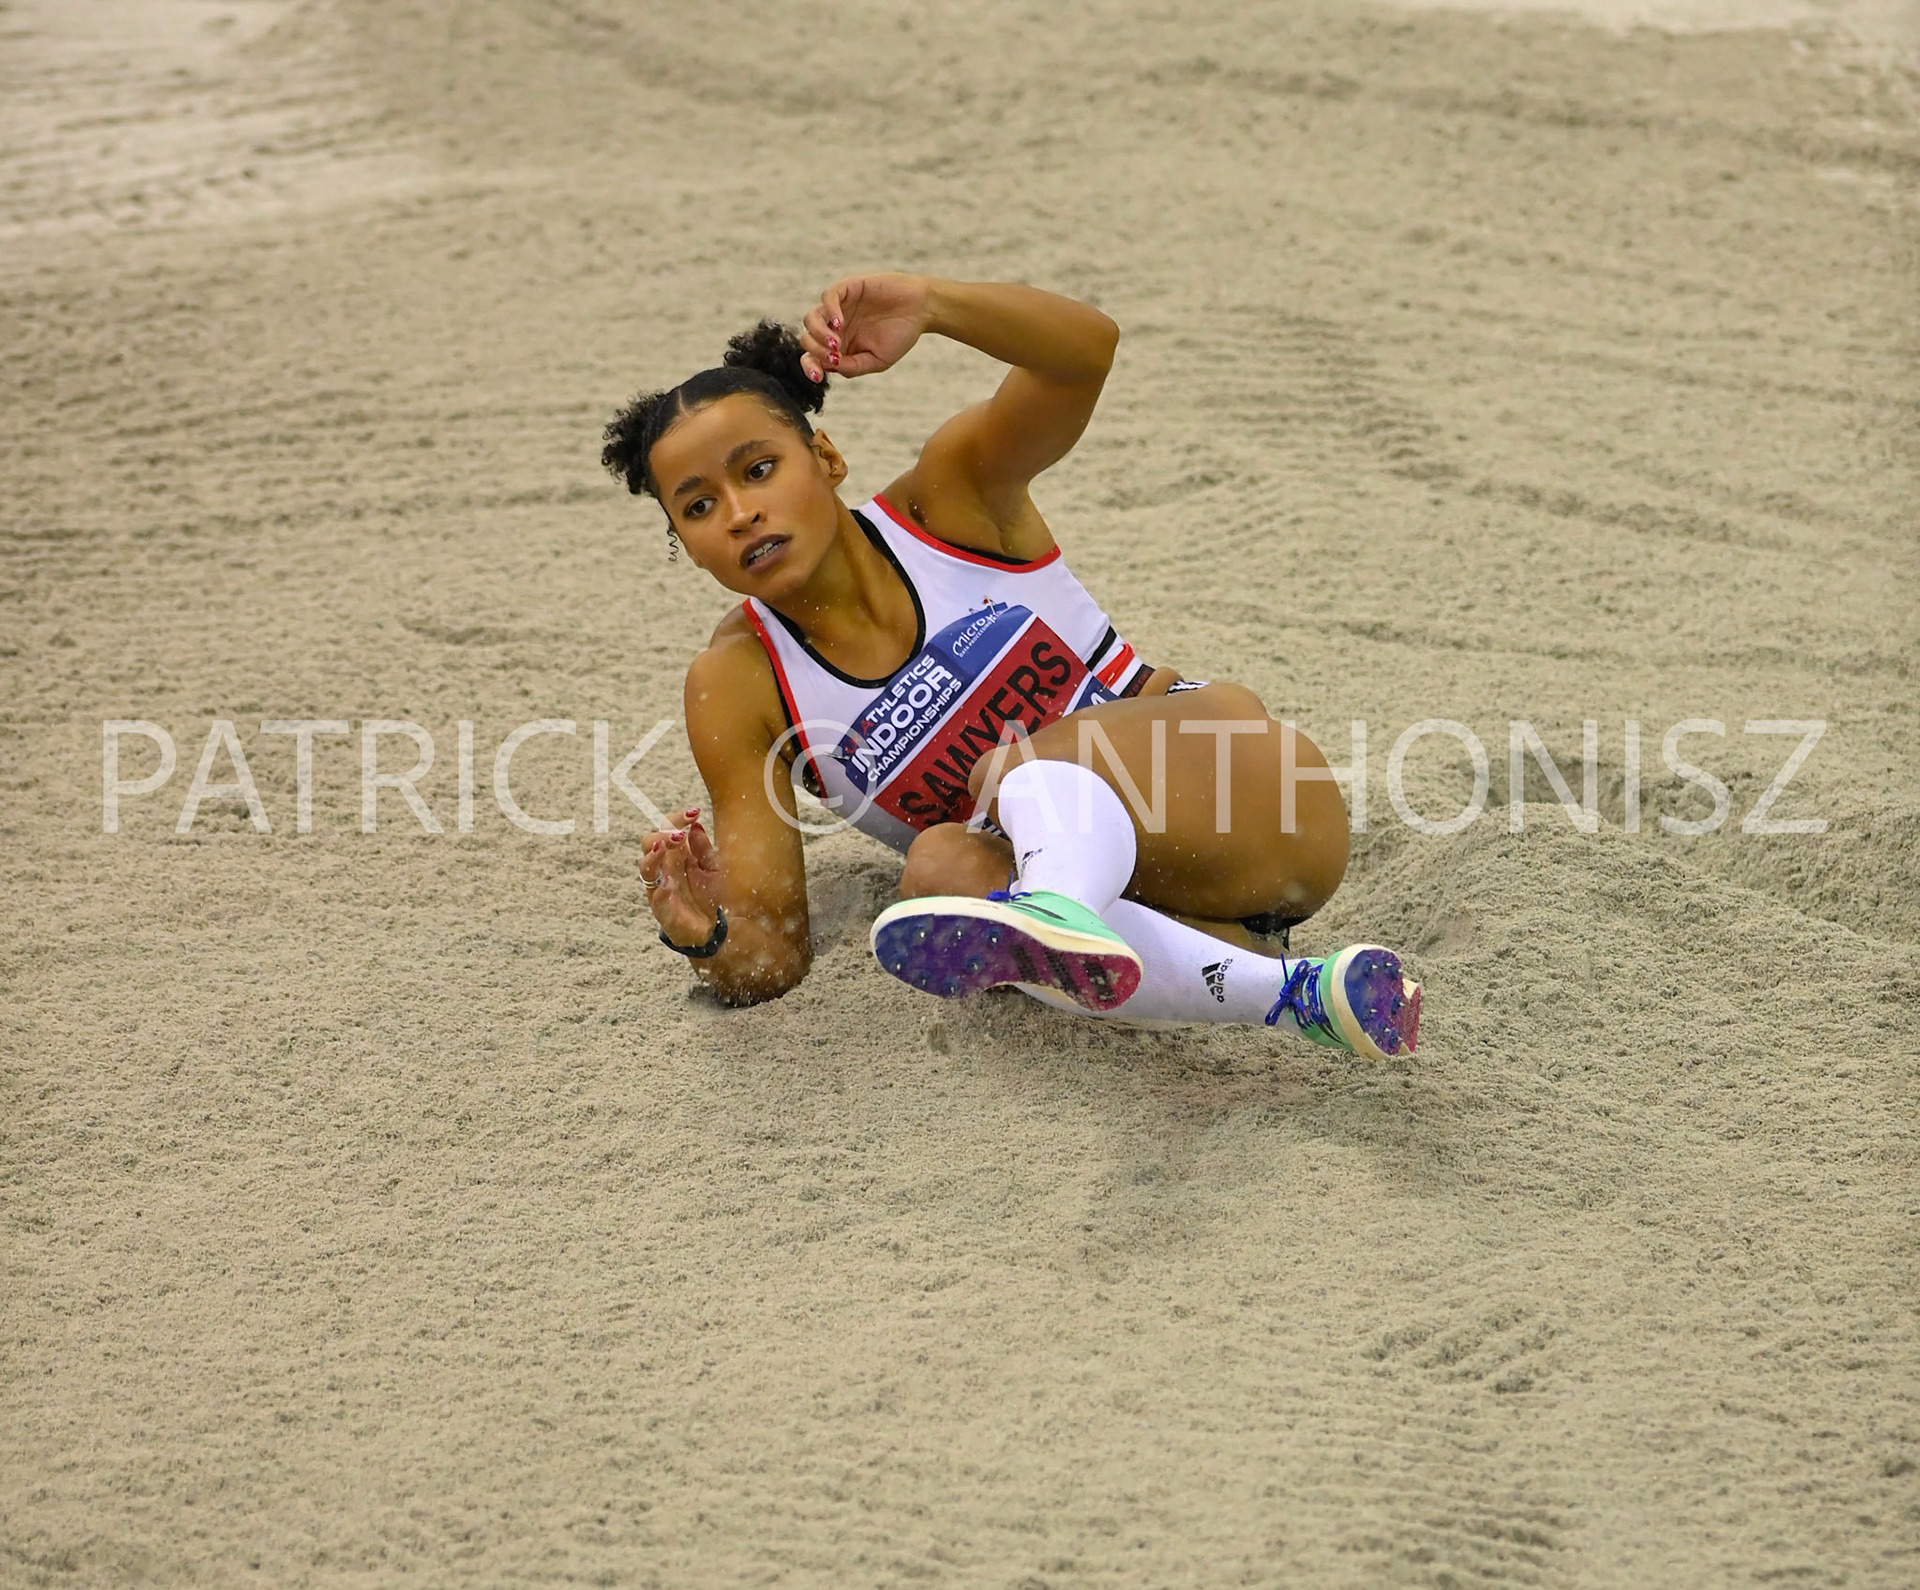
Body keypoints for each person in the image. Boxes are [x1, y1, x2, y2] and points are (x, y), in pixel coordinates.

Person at [600, 274, 1418, 1059]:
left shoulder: (949, 499)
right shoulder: (739, 683)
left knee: (1007, 770)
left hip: (1261, 807)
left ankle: (1058, 901)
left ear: (826, 456)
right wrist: (700, 929)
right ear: (684, 543)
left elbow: (1085, 352)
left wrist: (930, 303)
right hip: (1166, 910)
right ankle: (1289, 989)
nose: (740, 514)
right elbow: (772, 957)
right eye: (699, 507)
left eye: (759, 468)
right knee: (939, 872)